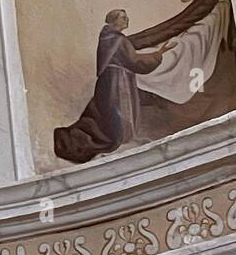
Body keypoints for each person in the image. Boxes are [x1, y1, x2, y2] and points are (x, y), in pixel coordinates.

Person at [54, 9, 173, 163]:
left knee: (109, 110)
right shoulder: (119, 40)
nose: (127, 20)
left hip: (107, 80)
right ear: (113, 21)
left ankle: (124, 137)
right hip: (118, 81)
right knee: (122, 108)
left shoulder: (106, 37)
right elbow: (135, 62)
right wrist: (159, 54)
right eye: (123, 18)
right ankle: (123, 139)